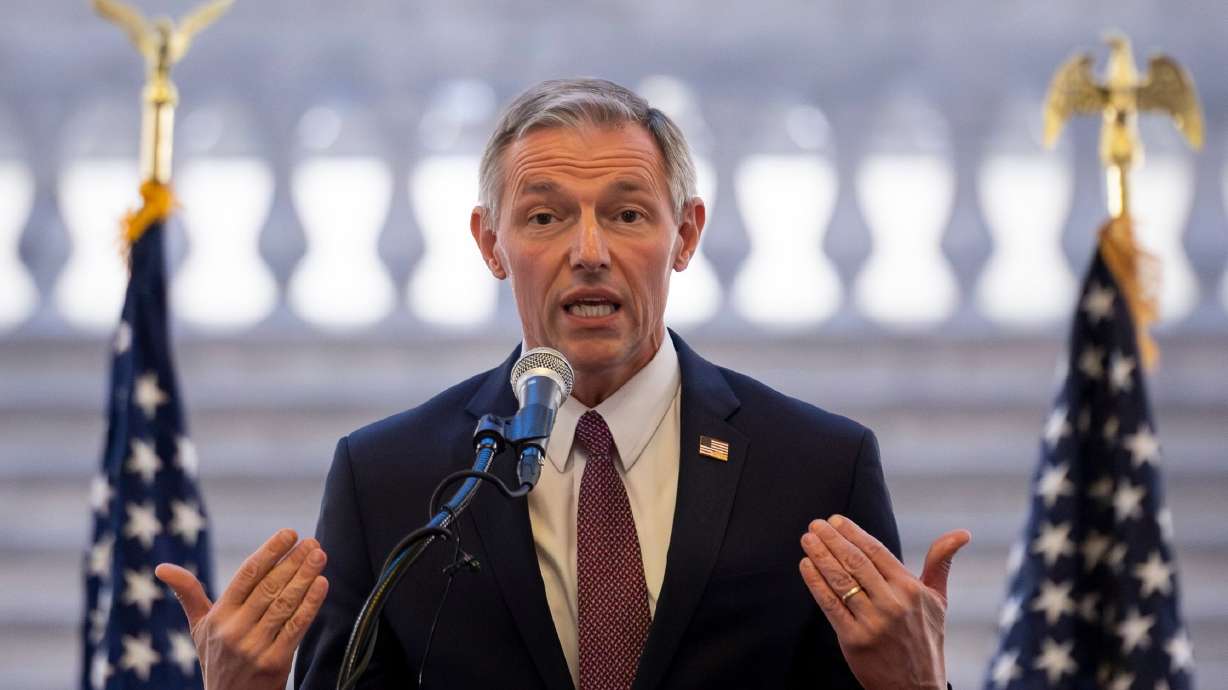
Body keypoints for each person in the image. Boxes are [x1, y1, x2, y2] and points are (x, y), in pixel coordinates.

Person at [155, 78, 971, 690]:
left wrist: (916, 688)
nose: (589, 250)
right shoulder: (387, 481)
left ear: (684, 235)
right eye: (545, 217)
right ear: (490, 243)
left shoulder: (817, 468)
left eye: (626, 213)